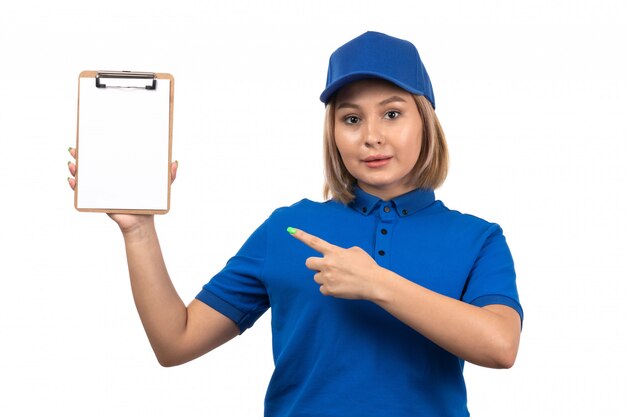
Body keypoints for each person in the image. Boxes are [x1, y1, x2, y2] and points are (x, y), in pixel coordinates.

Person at [67, 31, 523, 417]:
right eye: (350, 118)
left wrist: (376, 283)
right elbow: (175, 342)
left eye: (392, 113)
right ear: (334, 133)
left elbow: (500, 346)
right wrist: (138, 230)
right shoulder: (288, 228)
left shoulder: (477, 238)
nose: (372, 136)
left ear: (425, 121)